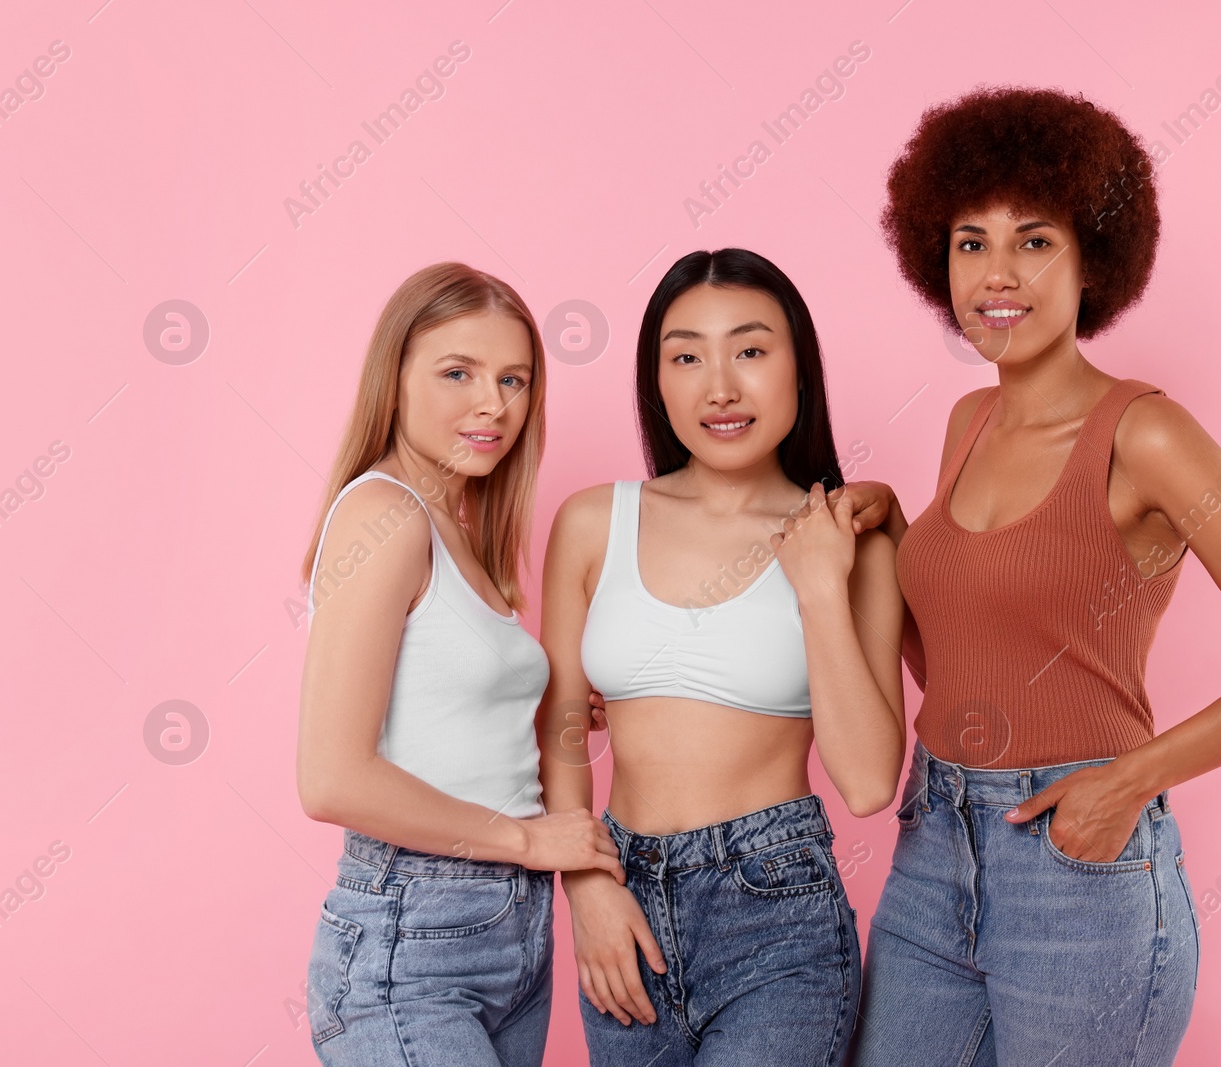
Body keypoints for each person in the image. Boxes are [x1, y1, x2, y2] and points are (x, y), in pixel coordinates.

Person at [842, 88, 1221, 1066]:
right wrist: (890, 539)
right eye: (969, 242)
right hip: (932, 842)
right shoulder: (968, 421)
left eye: (1032, 240)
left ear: (1092, 256)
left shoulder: (1146, 433)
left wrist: (1131, 778)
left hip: (1074, 865)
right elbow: (965, 657)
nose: (996, 274)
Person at [537, 248, 906, 1066]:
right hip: (623, 898)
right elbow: (563, 725)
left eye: (749, 349)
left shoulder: (850, 543)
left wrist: (817, 585)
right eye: (686, 355)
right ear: (657, 380)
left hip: (777, 913)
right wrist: (589, 885)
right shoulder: (592, 522)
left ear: (799, 369)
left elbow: (871, 780)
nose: (720, 387)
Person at [295, 262, 623, 1067]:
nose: (494, 404)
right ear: (395, 377)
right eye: (458, 372)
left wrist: (562, 698)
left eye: (514, 378)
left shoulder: (462, 530)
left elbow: (448, 720)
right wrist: (525, 839)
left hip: (507, 931)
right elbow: (331, 777)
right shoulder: (385, 515)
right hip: (413, 937)